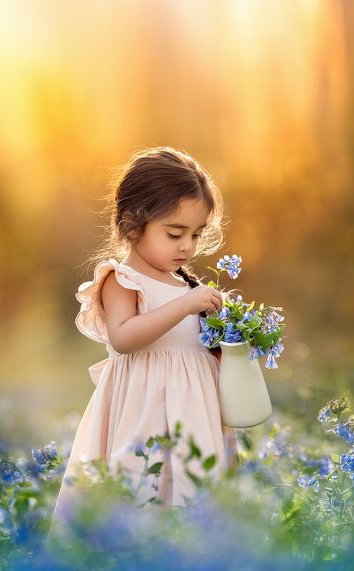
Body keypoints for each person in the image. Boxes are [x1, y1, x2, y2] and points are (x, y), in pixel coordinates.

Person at [50, 146, 239, 528]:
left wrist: (229, 340)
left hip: (193, 409)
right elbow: (123, 337)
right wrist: (187, 305)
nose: (187, 246)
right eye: (174, 233)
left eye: (197, 234)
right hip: (145, 409)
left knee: (195, 497)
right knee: (143, 491)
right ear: (133, 223)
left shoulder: (186, 285)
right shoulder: (122, 280)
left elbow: (195, 350)